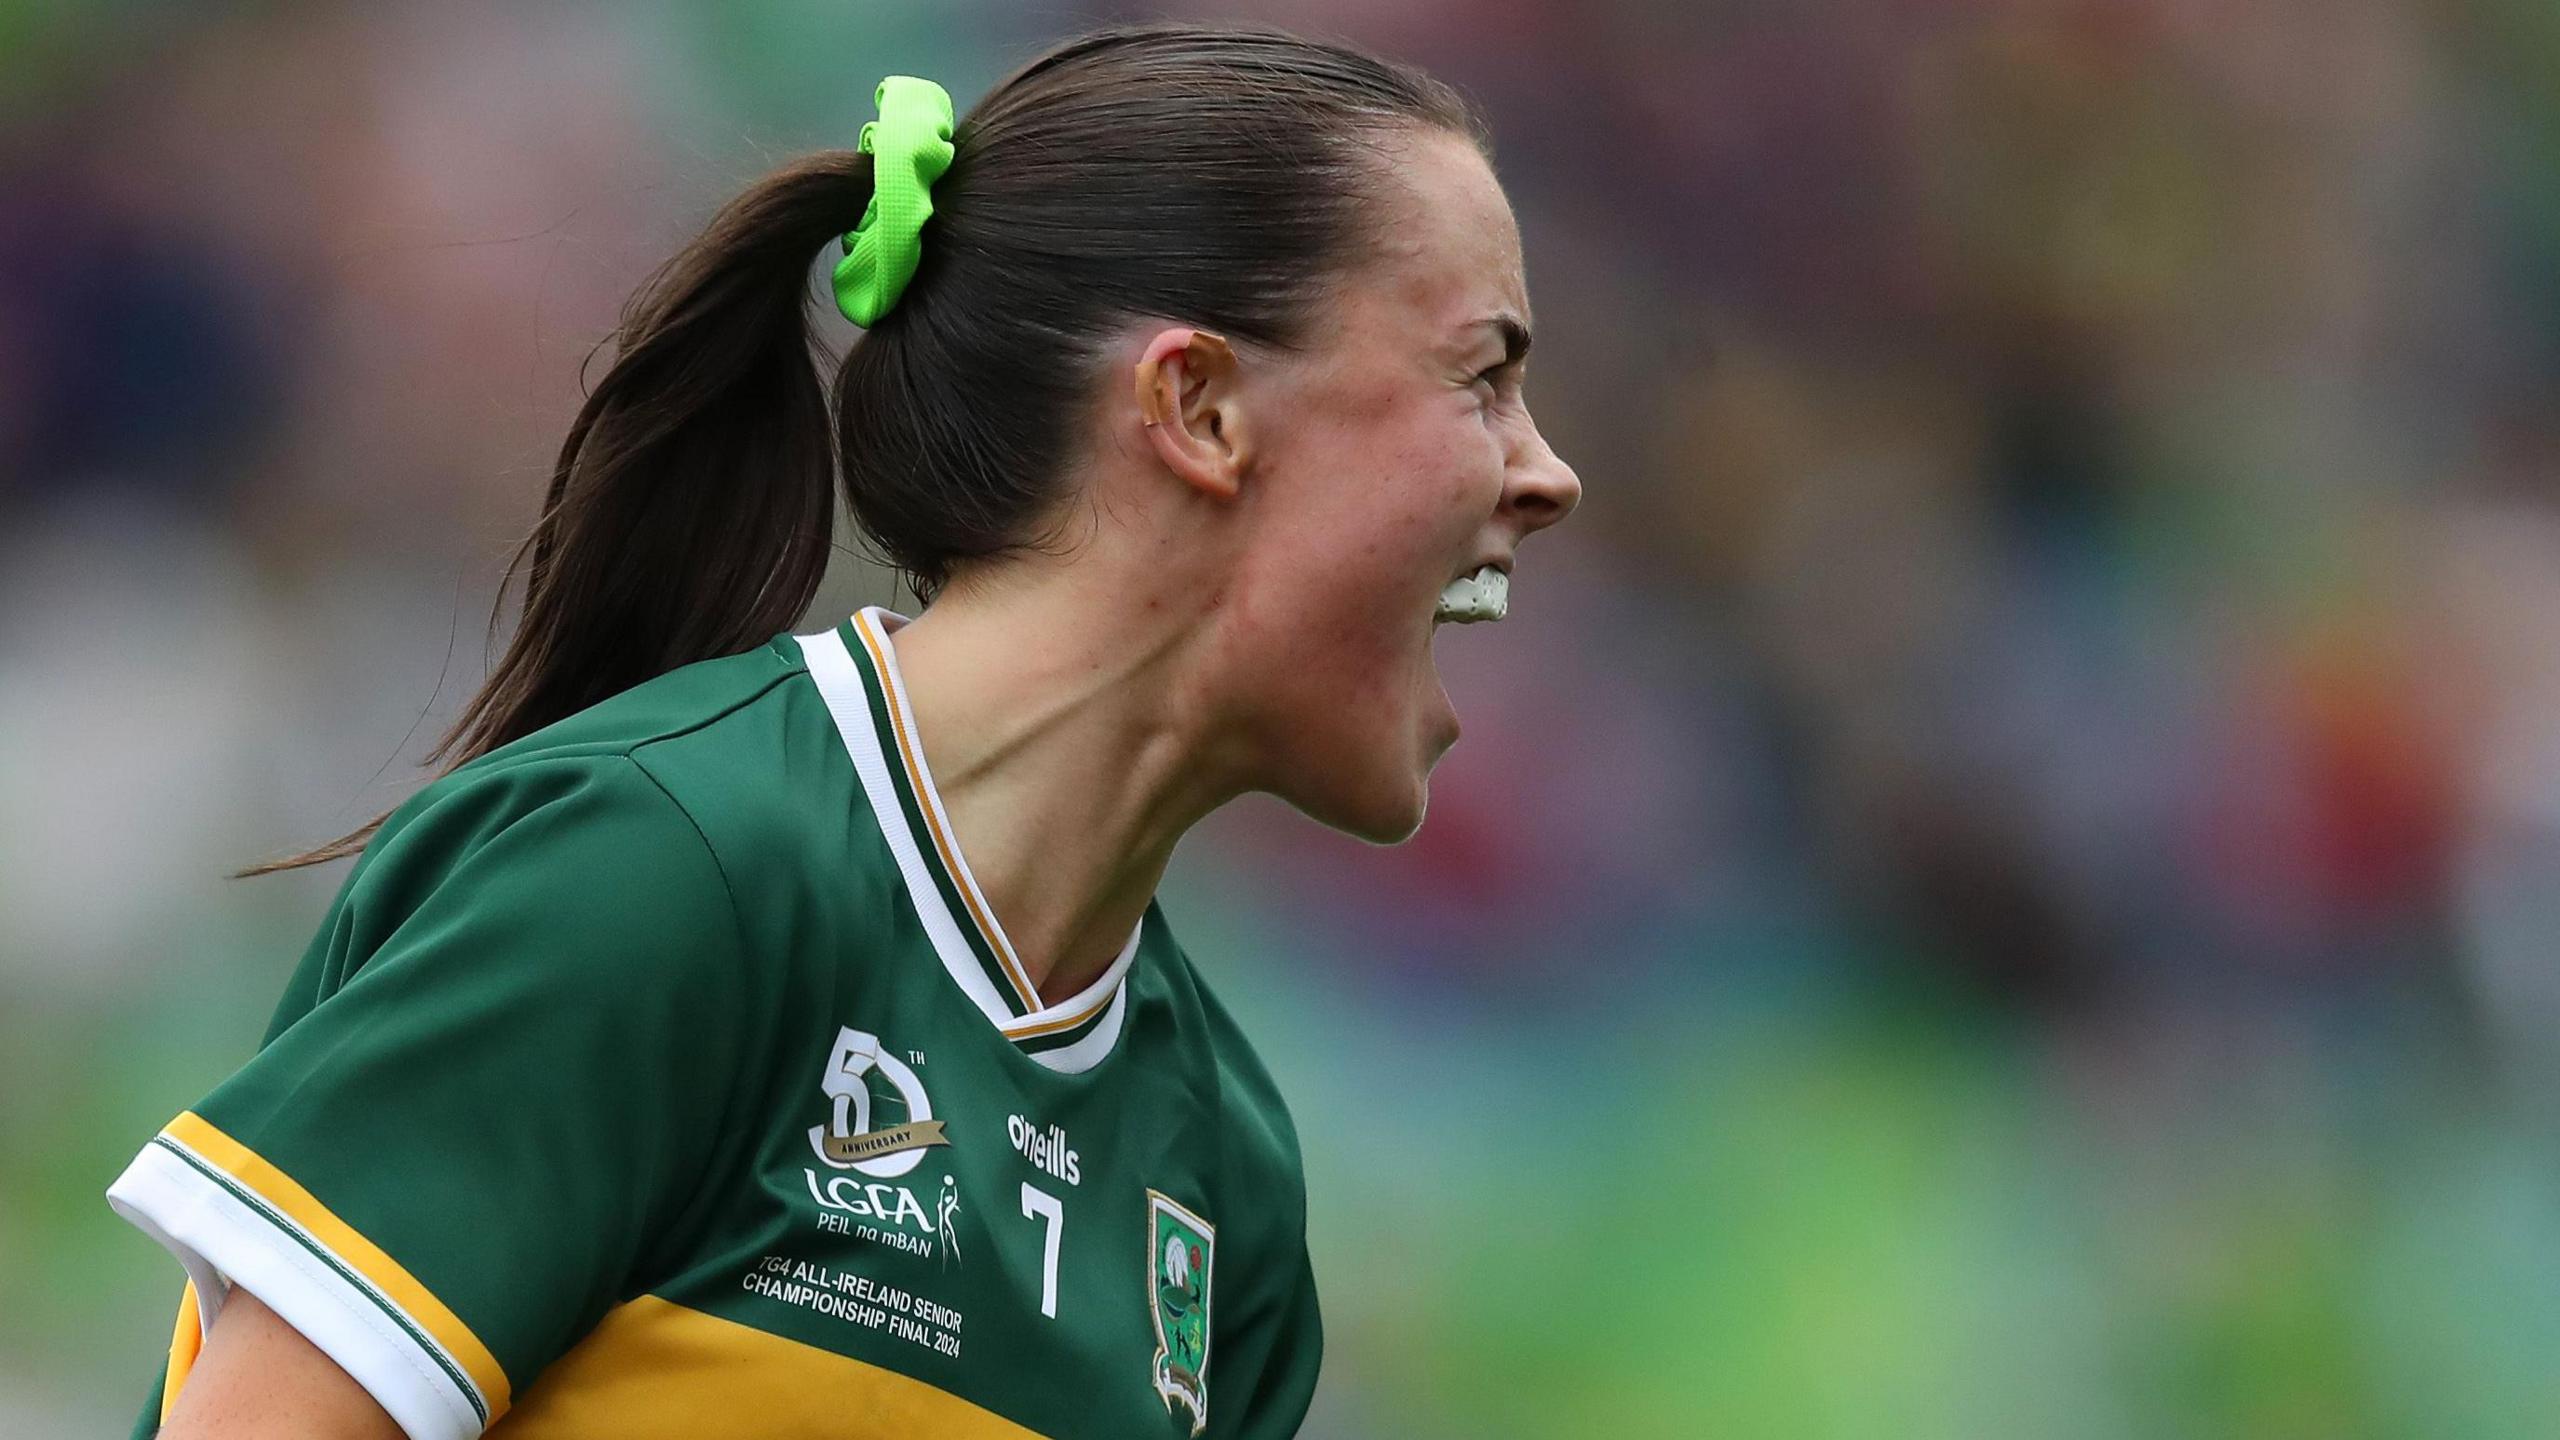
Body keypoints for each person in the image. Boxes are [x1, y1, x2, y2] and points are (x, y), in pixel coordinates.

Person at [104, 20, 1579, 1440]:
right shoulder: (666, 873)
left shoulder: (1227, 1185)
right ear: (1195, 406)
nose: (1547, 474)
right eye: (1484, 377)